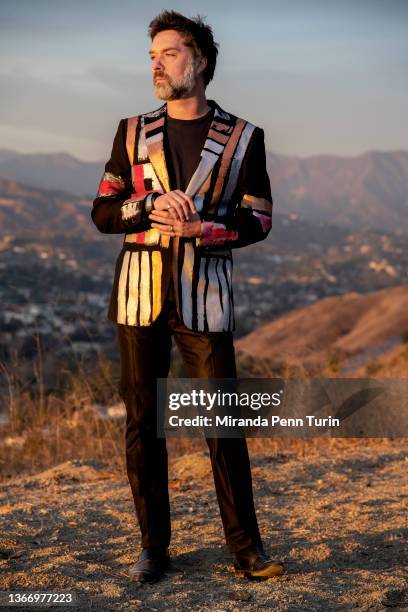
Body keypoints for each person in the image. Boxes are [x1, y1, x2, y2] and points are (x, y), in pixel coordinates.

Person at [91, 10, 284, 584]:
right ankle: (154, 549)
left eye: (169, 53)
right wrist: (148, 206)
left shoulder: (246, 137)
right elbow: (103, 212)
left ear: (199, 61)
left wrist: (205, 229)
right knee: (143, 423)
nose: (156, 63)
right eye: (152, 55)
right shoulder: (130, 132)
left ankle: (246, 551)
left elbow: (261, 218)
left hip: (207, 296)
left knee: (222, 424)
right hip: (139, 296)